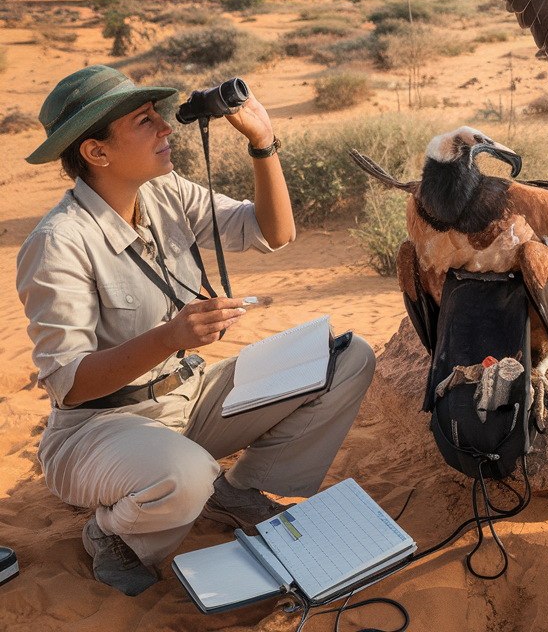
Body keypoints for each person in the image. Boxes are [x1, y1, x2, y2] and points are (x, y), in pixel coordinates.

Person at [16, 66, 376, 596]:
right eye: (145, 120)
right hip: (101, 428)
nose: (166, 128)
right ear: (96, 152)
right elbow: (69, 383)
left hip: (192, 396)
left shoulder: (166, 193)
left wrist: (264, 143)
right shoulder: (59, 243)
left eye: (159, 116)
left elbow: (274, 232)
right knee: (184, 477)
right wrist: (169, 337)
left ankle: (239, 489)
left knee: (347, 357)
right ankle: (114, 534)